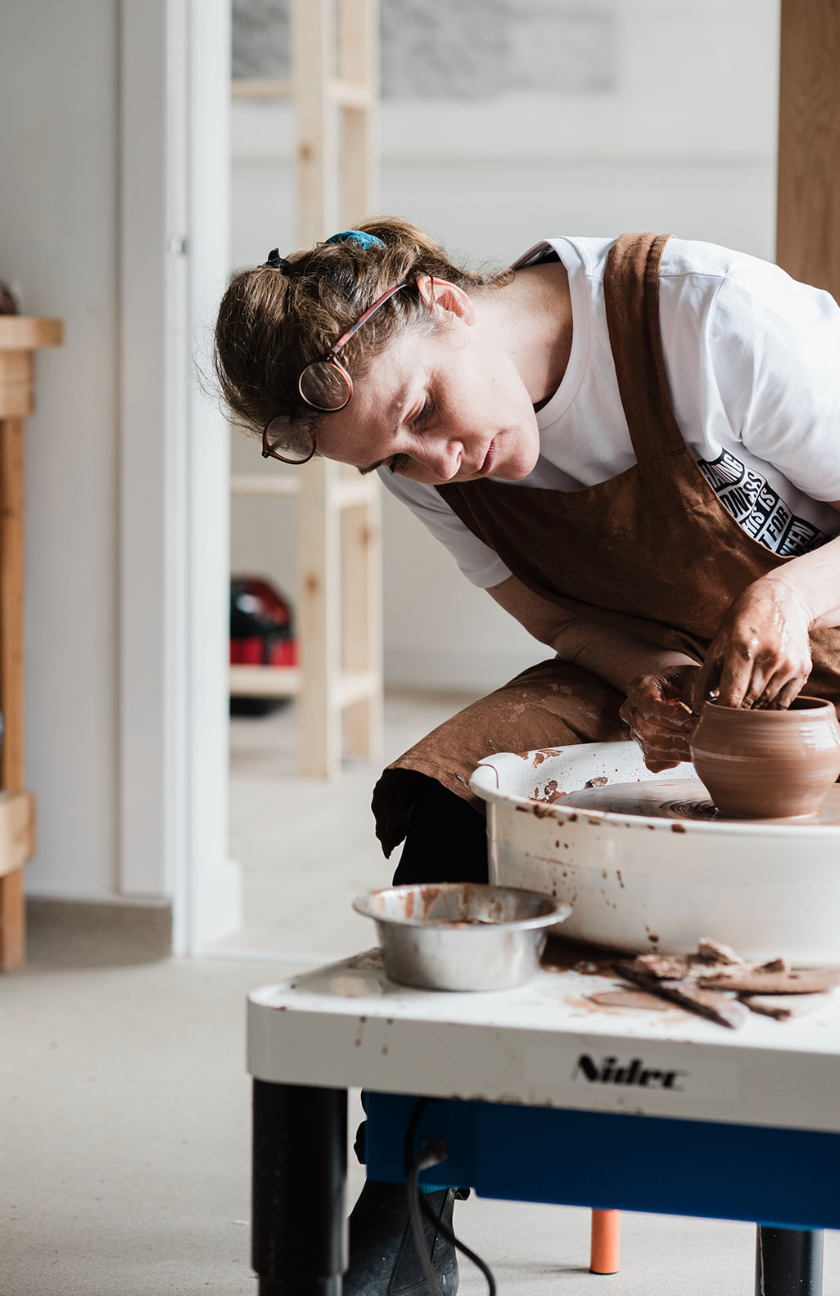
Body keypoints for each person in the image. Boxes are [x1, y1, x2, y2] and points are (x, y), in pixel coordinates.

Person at [214, 219, 840, 1294]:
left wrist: (785, 594)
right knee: (461, 794)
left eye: (424, 412)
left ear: (448, 304)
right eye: (393, 461)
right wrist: (648, 673)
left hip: (817, 627)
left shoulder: (705, 318)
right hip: (685, 665)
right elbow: (559, 621)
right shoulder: (423, 468)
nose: (437, 463)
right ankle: (412, 1174)